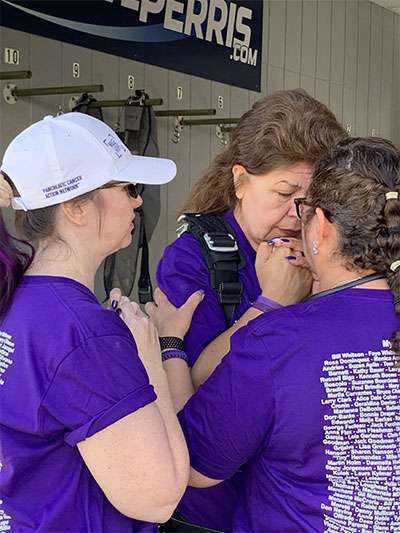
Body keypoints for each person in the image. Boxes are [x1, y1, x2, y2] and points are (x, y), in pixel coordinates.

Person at [129, 136, 400, 532]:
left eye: (303, 210)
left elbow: (191, 464)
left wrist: (169, 346)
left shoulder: (279, 342)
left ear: (321, 227)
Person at [155, 89, 348, 530]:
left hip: (292, 498)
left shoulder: (326, 251)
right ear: (240, 180)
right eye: (283, 193)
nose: (295, 214)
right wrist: (271, 305)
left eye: (310, 201)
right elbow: (186, 383)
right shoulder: (194, 258)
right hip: (214, 503)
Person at [0, 112, 195, 532]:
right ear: (75, 206)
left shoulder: (14, 299)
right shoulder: (83, 332)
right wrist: (150, 358)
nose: (138, 200)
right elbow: (158, 498)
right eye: (127, 187)